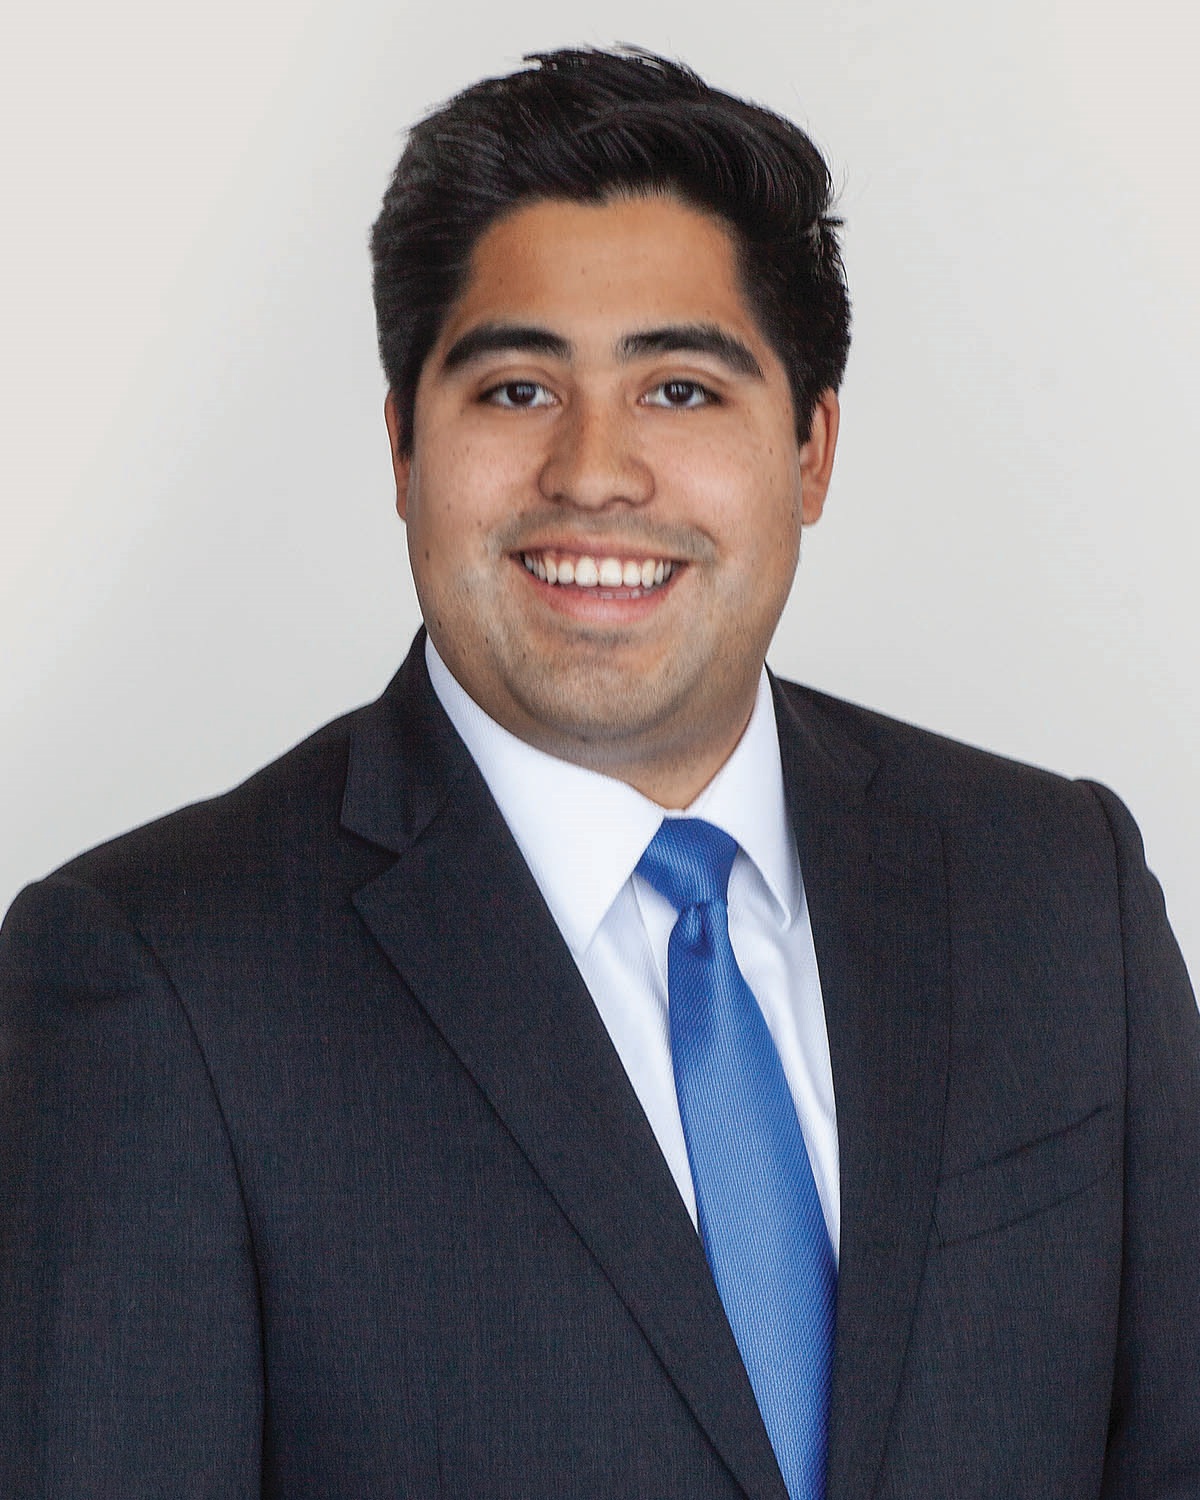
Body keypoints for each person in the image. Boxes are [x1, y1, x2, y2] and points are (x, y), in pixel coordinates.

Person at [2, 45, 1197, 1500]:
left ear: (811, 450)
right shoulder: (153, 980)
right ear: (402, 448)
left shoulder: (1061, 892)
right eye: (516, 389)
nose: (593, 472)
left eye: (680, 390)